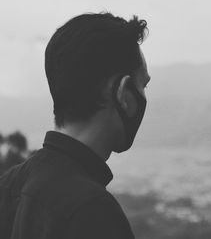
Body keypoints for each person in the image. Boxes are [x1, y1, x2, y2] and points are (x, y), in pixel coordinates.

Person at [0, 12, 150, 239]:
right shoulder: (92, 212)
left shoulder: (9, 186)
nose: (143, 96)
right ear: (124, 94)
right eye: (142, 86)